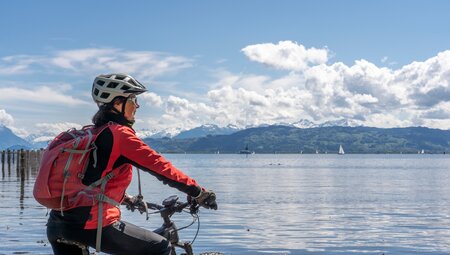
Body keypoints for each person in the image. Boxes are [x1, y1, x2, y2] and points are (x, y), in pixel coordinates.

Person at [46, 73, 217, 255]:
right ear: (118, 103)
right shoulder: (119, 134)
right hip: (92, 225)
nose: (137, 105)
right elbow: (162, 168)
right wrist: (198, 192)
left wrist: (125, 197)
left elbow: (89, 178)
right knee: (160, 247)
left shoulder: (93, 133)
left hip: (59, 224)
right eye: (133, 99)